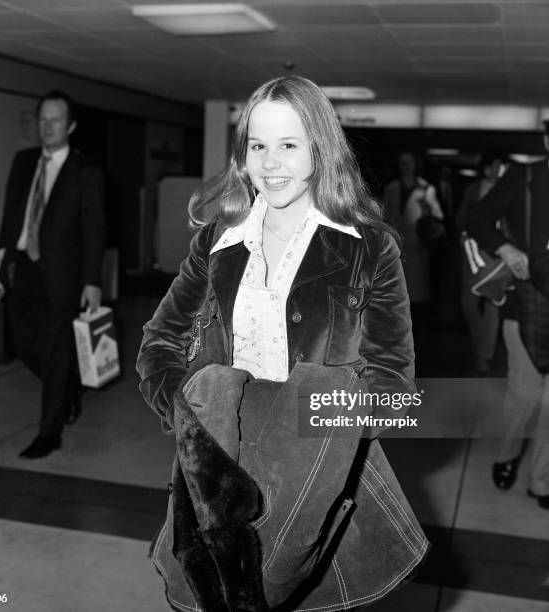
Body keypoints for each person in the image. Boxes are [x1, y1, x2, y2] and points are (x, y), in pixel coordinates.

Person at [136, 76, 428, 611]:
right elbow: (158, 345)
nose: (271, 163)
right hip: (215, 474)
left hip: (317, 484)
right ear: (242, 157)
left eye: (289, 144)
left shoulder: (371, 249)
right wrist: (194, 419)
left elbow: (397, 394)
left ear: (320, 150)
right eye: (258, 145)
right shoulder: (217, 241)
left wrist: (309, 415)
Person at [0, 90, 106, 459]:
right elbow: (11, 217)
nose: (48, 126)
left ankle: (49, 431)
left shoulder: (85, 170)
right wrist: (0, 266)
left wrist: (92, 281)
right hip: (24, 269)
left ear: (70, 125)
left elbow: (94, 229)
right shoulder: (23, 162)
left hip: (65, 276)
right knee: (25, 342)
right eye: (43, 118)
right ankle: (69, 386)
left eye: (56, 119)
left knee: (57, 348)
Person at [466, 122, 549, 510]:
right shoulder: (525, 175)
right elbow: (478, 218)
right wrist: (504, 248)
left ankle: (542, 480)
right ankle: (506, 456)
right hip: (527, 301)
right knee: (525, 396)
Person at [383, 152, 444, 328]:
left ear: (416, 165)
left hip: (417, 248)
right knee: (396, 295)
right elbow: (385, 217)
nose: (406, 166)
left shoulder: (426, 189)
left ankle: (418, 335)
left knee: (416, 298)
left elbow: (438, 217)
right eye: (403, 163)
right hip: (396, 249)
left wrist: (428, 210)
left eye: (409, 162)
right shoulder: (391, 188)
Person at [456, 152, 504, 375]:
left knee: (494, 307)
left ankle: (484, 356)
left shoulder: (507, 190)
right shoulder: (473, 190)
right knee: (469, 303)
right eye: (496, 165)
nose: (499, 169)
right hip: (473, 253)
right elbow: (461, 217)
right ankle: (480, 345)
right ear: (487, 168)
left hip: (499, 255)